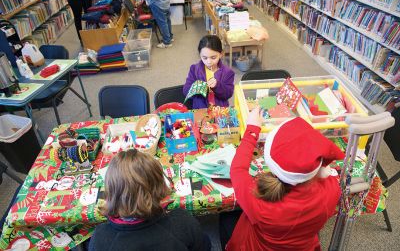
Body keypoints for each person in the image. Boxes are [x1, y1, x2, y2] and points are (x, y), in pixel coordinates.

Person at [221, 107, 345, 250]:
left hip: (257, 246)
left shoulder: (260, 204)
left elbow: (237, 170)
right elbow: (329, 179)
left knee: (225, 219)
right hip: (304, 246)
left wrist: (252, 130)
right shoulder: (332, 191)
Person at [89, 149, 210, 251]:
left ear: (111, 191)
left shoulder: (100, 239)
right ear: (160, 186)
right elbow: (205, 246)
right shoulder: (182, 223)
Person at [183, 35, 235, 109]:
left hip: (220, 111)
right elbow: (185, 91)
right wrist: (197, 88)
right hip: (200, 110)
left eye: (213, 57)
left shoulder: (228, 72)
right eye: (204, 58)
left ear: (221, 54)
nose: (209, 62)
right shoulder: (194, 69)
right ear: (200, 55)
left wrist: (217, 85)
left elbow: (228, 94)